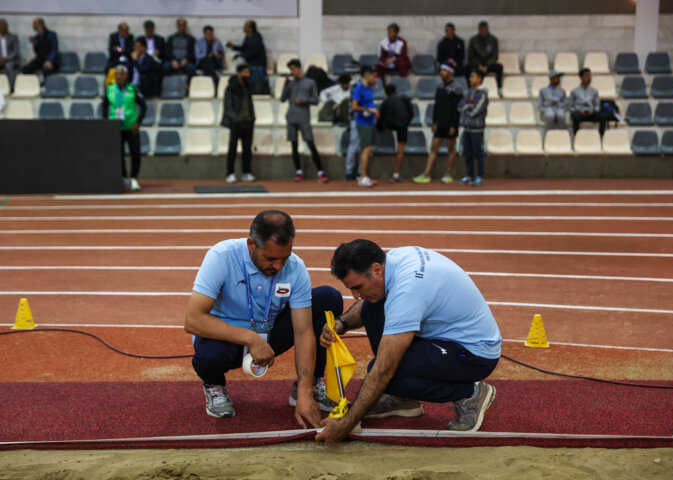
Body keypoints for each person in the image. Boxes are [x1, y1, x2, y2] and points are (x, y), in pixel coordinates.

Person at [315, 239, 502, 444]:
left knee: (389, 375)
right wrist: (342, 323)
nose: (355, 295)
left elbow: (383, 371)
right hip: (445, 339)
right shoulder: (393, 261)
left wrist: (345, 425)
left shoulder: (408, 290)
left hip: (474, 354)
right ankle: (404, 400)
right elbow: (366, 305)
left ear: (377, 269)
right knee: (371, 306)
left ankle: (470, 393)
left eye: (358, 287)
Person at [184, 210, 343, 422]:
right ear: (251, 244)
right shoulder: (221, 256)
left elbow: (304, 333)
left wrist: (304, 392)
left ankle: (310, 386)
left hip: (270, 333)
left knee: (327, 299)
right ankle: (214, 385)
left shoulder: (295, 268)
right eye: (270, 258)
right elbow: (193, 320)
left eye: (284, 257)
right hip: (227, 339)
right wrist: (249, 338)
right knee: (208, 356)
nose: (278, 266)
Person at [413, 64, 463, 184]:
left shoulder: (457, 88)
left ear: (450, 72)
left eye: (444, 70)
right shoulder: (439, 87)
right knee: (434, 147)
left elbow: (457, 109)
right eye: (441, 70)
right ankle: (426, 174)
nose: (442, 72)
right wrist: (434, 122)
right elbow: (437, 106)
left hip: (451, 123)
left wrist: (454, 125)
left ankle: (448, 174)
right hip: (440, 122)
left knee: (451, 148)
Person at [280, 59, 327, 183]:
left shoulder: (310, 82)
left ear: (299, 68)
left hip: (304, 119)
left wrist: (303, 100)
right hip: (291, 118)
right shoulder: (290, 83)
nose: (292, 72)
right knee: (294, 146)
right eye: (290, 69)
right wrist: (285, 84)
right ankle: (298, 171)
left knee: (311, 144)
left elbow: (316, 100)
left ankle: (320, 172)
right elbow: (282, 99)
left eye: (293, 69)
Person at [101, 64, 146, 192]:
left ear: (126, 75)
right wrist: (106, 121)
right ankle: (124, 178)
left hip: (131, 127)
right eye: (116, 74)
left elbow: (143, 106)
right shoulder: (109, 89)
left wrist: (138, 122)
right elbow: (104, 106)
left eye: (121, 74)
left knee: (135, 153)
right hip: (115, 128)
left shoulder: (133, 89)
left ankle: (133, 178)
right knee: (118, 154)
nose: (119, 76)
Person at [220, 64, 256, 183]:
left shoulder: (248, 86)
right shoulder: (231, 87)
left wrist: (252, 118)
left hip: (248, 122)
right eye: (245, 72)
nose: (248, 75)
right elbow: (228, 105)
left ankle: (246, 172)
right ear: (239, 73)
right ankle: (230, 173)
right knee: (232, 149)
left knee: (247, 150)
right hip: (237, 123)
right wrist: (234, 119)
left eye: (248, 72)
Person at [457, 69, 489, 187]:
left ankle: (479, 176)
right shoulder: (468, 92)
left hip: (477, 128)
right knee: (468, 153)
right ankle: (469, 175)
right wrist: (468, 106)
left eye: (473, 76)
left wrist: (467, 107)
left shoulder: (482, 94)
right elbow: (459, 106)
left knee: (478, 153)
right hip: (467, 128)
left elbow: (475, 111)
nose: (470, 79)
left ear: (479, 79)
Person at [378, 84, 413, 182]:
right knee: (400, 150)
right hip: (402, 126)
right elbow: (410, 112)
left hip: (389, 126)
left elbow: (381, 118)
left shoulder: (385, 102)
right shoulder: (404, 98)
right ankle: (396, 173)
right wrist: (406, 123)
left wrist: (380, 128)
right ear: (396, 90)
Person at [353, 66, 380, 188]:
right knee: (366, 149)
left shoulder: (369, 89)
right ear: (367, 75)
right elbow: (354, 107)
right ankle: (363, 176)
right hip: (362, 123)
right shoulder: (359, 88)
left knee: (368, 150)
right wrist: (369, 110)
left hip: (370, 122)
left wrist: (373, 112)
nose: (376, 79)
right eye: (374, 76)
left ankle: (364, 175)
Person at [226, 20, 268, 94]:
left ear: (250, 29)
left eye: (245, 26)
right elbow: (244, 48)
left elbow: (251, 53)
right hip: (251, 64)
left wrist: (239, 55)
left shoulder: (256, 39)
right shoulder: (248, 37)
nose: (243, 27)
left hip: (257, 66)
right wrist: (233, 47)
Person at [569, 68, 606, 136]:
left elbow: (597, 105)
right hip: (579, 113)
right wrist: (578, 111)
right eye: (587, 76)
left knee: (602, 117)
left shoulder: (594, 91)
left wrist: (593, 110)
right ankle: (576, 137)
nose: (589, 78)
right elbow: (570, 106)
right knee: (575, 118)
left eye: (590, 76)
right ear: (581, 77)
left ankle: (601, 136)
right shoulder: (574, 91)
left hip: (591, 112)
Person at [467, 21, 502, 89]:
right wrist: (479, 65)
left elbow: (495, 56)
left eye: (484, 29)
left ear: (487, 29)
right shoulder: (473, 40)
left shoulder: (493, 40)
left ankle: (499, 87)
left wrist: (486, 65)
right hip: (477, 65)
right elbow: (471, 56)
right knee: (467, 68)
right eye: (481, 29)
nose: (483, 31)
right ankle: (469, 87)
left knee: (499, 67)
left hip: (489, 65)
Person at [0, 18, 20, 92]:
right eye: (2, 25)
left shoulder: (13, 37)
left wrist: (7, 58)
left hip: (10, 60)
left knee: (9, 66)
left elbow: (15, 51)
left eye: (5, 25)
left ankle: (11, 88)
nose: (4, 27)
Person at [195, 25, 225, 92]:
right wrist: (208, 55)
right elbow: (197, 56)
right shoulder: (199, 42)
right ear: (204, 34)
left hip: (215, 62)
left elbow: (221, 55)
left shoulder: (217, 42)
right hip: (202, 62)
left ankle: (209, 85)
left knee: (208, 63)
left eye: (211, 34)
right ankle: (215, 81)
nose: (210, 35)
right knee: (207, 61)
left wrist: (216, 54)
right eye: (208, 34)